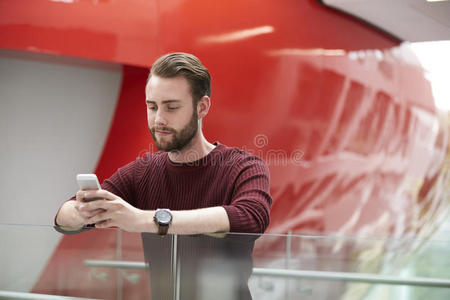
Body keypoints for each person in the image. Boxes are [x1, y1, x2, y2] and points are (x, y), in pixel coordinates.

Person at [54, 53, 272, 299]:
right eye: (152, 106)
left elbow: (251, 216)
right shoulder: (142, 172)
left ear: (202, 107)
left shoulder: (244, 167)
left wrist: (147, 220)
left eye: (172, 107)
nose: (159, 119)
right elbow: (63, 216)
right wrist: (82, 212)